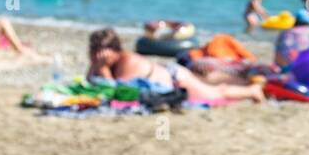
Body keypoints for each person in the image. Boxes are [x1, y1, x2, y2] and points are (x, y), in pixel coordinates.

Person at [87, 27, 264, 103]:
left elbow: (114, 90)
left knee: (215, 94)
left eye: (101, 51)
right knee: (210, 83)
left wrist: (101, 68)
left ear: (114, 50)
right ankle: (243, 84)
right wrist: (97, 65)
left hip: (176, 79)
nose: (98, 55)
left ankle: (252, 91)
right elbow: (92, 81)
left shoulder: (128, 61)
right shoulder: (105, 63)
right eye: (94, 51)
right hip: (171, 77)